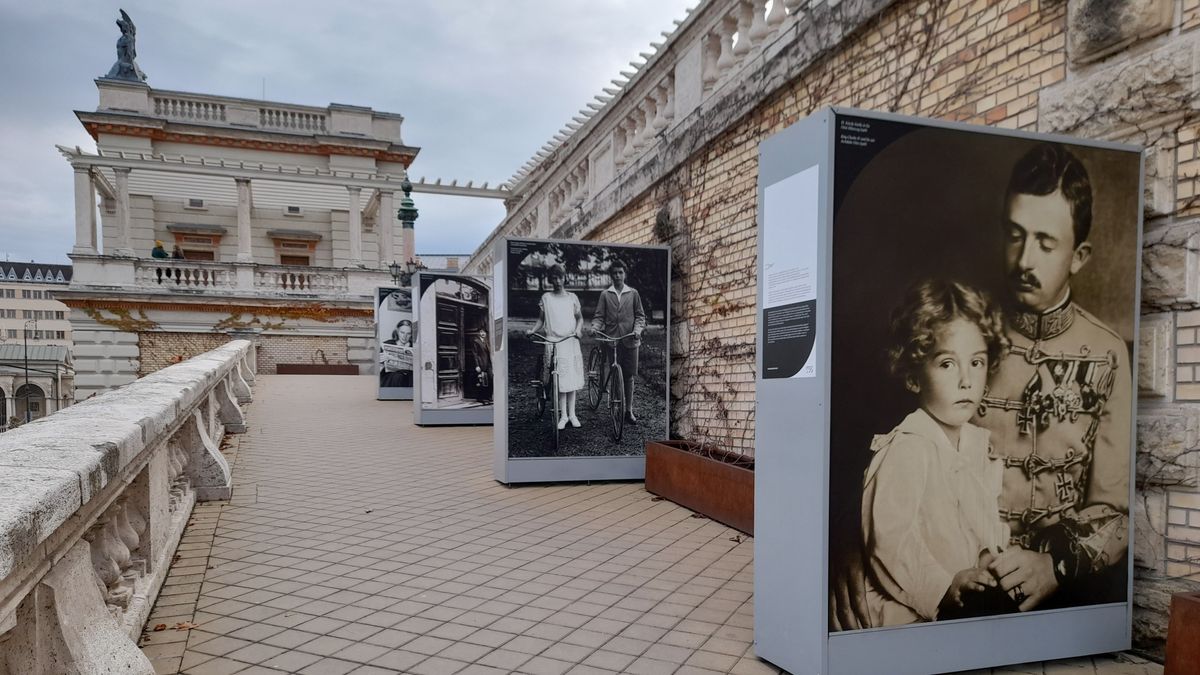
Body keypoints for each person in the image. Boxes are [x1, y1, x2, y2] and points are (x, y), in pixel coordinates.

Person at [831, 142, 1133, 628]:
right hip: (947, 578)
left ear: (1080, 255)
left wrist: (1055, 566)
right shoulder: (960, 326)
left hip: (1058, 592)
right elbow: (883, 456)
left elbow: (1115, 510)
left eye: (1045, 243)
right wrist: (850, 544)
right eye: (1014, 235)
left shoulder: (1109, 352)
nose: (1023, 260)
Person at [861, 279, 1012, 627]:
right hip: (909, 605)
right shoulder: (909, 446)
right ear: (914, 377)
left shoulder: (977, 445)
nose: (966, 381)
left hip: (961, 601)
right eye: (947, 364)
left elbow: (980, 520)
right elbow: (889, 543)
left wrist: (990, 556)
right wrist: (943, 587)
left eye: (976, 363)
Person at [527, 264, 584, 430]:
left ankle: (572, 414)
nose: (557, 281)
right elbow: (541, 320)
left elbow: (580, 318)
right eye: (554, 278)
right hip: (553, 341)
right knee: (558, 379)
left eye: (560, 277)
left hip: (570, 340)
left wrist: (578, 330)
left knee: (571, 379)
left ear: (564, 277)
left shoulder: (572, 297)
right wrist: (532, 330)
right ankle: (563, 415)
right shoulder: (546, 298)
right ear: (550, 280)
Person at [589, 259, 646, 425]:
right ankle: (615, 405)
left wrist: (637, 331)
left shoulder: (633, 293)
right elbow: (599, 316)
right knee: (614, 370)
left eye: (620, 272)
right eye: (614, 273)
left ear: (625, 274)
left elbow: (640, 316)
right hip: (612, 339)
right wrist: (595, 327)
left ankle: (628, 410)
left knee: (628, 376)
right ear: (611, 275)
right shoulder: (605, 294)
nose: (618, 275)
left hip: (630, 339)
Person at [380, 319, 413, 388]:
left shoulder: (415, 346)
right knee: (397, 376)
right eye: (402, 332)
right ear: (397, 331)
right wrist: (381, 362)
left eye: (408, 333)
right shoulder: (387, 344)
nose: (405, 336)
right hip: (392, 376)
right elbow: (378, 369)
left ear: (412, 334)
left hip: (409, 377)